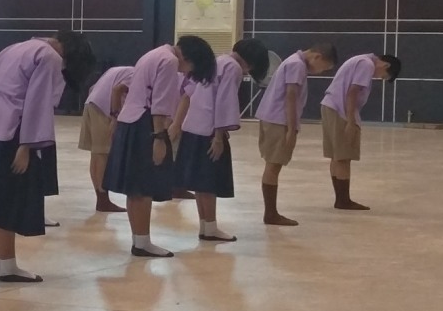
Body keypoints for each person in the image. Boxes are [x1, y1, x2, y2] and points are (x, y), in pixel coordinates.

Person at [0, 30, 95, 282]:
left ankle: (4, 263)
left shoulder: (12, 49)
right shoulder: (49, 57)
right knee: (6, 200)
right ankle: (7, 266)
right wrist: (27, 145)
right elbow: (38, 103)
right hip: (15, 130)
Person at [103, 35, 217, 258]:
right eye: (191, 69)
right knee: (143, 187)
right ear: (189, 58)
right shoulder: (169, 61)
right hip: (144, 125)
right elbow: (159, 103)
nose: (186, 73)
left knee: (135, 188)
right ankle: (142, 243)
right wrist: (158, 137)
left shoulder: (153, 54)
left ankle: (140, 240)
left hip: (130, 122)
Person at [172, 39, 270, 243]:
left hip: (193, 126)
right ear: (252, 62)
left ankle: (206, 226)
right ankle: (210, 228)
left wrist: (177, 124)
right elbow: (225, 102)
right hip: (209, 131)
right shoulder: (232, 68)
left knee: (199, 183)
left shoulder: (216, 60)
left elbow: (188, 92)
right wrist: (218, 137)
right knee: (208, 182)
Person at [255, 43, 338, 226]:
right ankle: (271, 214)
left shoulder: (292, 61)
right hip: (279, 120)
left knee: (273, 165)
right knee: (273, 165)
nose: (320, 72)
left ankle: (271, 213)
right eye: (323, 68)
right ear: (317, 57)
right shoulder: (297, 65)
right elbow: (291, 96)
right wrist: (292, 129)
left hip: (273, 118)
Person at [321, 52, 402, 211]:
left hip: (330, 106)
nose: (378, 78)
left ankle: (340, 199)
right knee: (344, 156)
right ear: (386, 65)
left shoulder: (360, 60)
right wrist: (351, 121)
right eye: (383, 76)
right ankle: (343, 200)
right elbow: (353, 92)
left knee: (336, 156)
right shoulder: (367, 64)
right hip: (341, 111)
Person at [79, 64, 135, 213]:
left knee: (96, 155)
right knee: (102, 154)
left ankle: (101, 198)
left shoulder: (119, 70)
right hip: (103, 110)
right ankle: (103, 201)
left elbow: (92, 88)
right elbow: (117, 90)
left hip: (91, 104)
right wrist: (115, 116)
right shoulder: (135, 75)